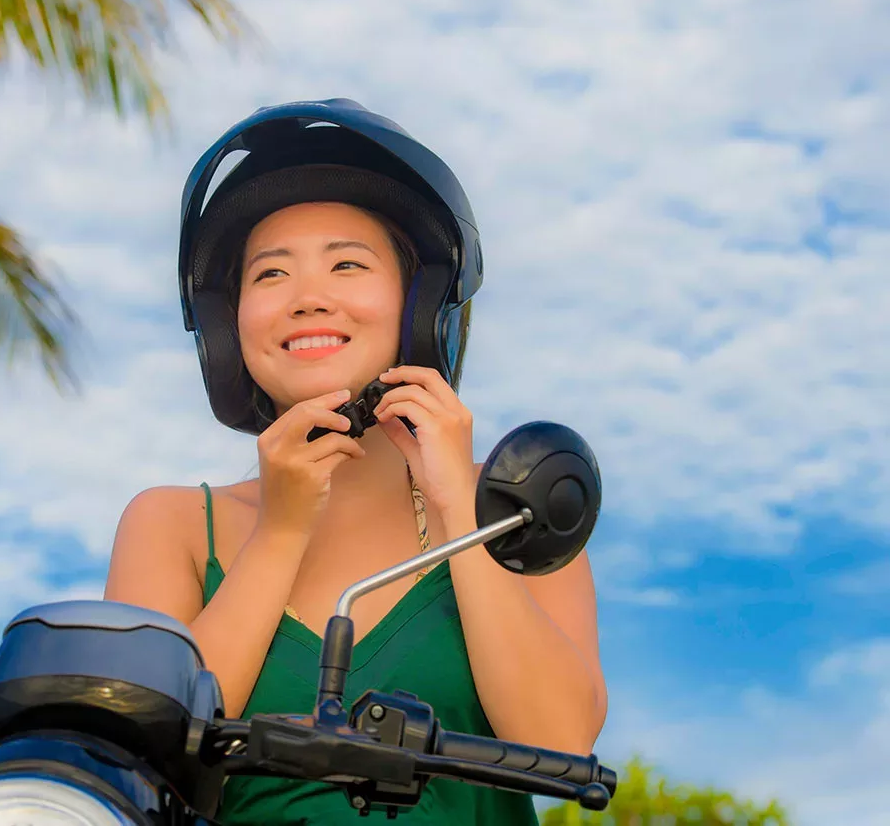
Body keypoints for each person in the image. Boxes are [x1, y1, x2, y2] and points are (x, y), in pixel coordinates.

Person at [104, 99, 607, 824]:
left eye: (346, 264)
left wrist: (458, 507)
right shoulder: (172, 523)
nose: (308, 298)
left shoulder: (513, 515)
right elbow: (142, 754)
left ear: (419, 303)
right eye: (269, 275)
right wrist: (279, 531)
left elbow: (558, 739)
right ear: (227, 321)